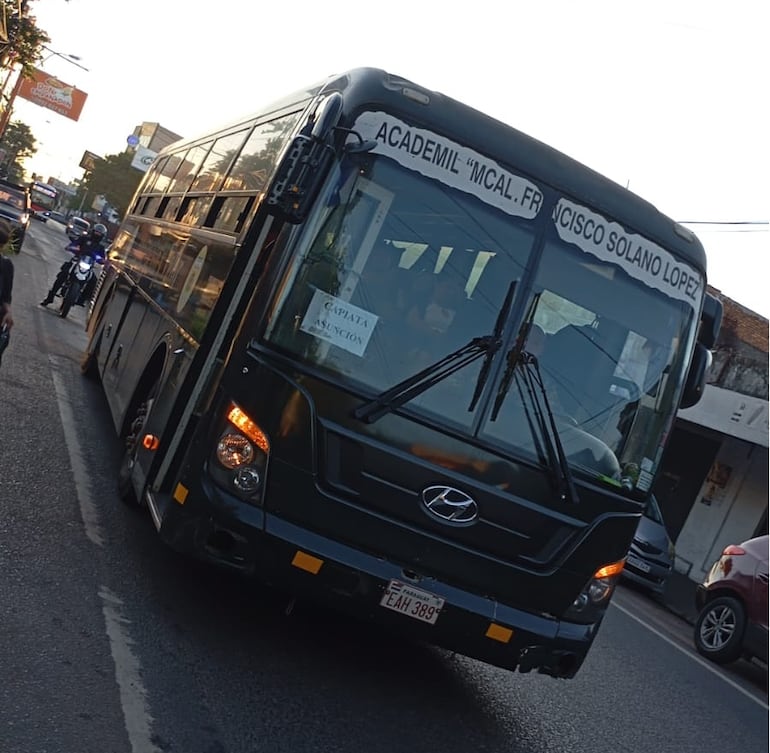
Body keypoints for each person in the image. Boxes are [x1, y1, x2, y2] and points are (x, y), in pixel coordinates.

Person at [40, 222, 107, 307]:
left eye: (100, 233)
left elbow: (103, 259)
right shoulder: (84, 239)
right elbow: (74, 244)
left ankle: (81, 300)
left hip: (88, 266)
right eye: (96, 232)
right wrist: (71, 247)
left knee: (93, 282)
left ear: (102, 236)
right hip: (76, 261)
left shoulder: (100, 247)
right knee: (63, 274)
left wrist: (103, 261)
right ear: (93, 231)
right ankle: (50, 297)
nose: (97, 234)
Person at [0, 218, 14, 332]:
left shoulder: (6, 265)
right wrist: (8, 312)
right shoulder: (6, 265)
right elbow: (6, 298)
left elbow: (6, 297)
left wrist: (8, 312)